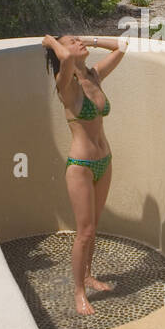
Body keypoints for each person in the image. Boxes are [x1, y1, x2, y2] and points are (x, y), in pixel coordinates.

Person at [42, 33, 127, 314]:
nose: (79, 43)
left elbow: (122, 46)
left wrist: (90, 39)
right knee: (84, 231)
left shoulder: (94, 76)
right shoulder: (66, 85)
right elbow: (65, 59)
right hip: (81, 167)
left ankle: (89, 275)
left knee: (95, 226)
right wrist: (51, 42)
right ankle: (79, 291)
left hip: (105, 161)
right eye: (73, 41)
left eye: (79, 40)